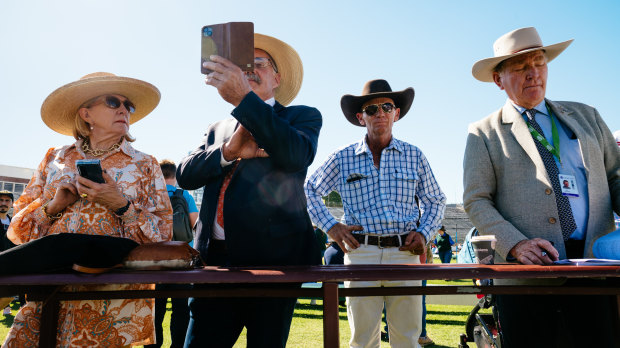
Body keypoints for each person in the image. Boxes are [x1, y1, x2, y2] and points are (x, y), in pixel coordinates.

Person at [464, 27, 620, 347]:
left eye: (539, 62)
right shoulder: (483, 133)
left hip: (595, 271)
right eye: (521, 67)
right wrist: (516, 245)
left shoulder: (587, 116)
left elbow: (615, 177)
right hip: (525, 280)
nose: (533, 73)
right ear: (498, 79)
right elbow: (476, 200)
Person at [2, 72, 173, 347]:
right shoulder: (54, 158)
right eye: (112, 101)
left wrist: (121, 204)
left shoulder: (146, 164)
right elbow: (18, 232)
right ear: (86, 114)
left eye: (128, 105)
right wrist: (55, 206)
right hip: (50, 287)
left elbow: (162, 234)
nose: (123, 110)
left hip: (111, 295)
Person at [177, 33, 322, 348]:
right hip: (213, 264)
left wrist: (245, 100)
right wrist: (228, 151)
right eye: (243, 67)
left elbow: (295, 155)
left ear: (277, 77)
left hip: (274, 266)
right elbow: (185, 174)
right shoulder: (217, 130)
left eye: (258, 64)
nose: (250, 71)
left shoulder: (301, 117)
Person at [305, 79, 446, 347]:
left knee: (407, 338)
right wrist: (332, 228)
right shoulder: (342, 157)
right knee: (362, 340)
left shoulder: (415, 155)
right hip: (361, 252)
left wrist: (424, 233)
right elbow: (308, 189)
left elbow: (436, 200)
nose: (380, 113)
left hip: (405, 252)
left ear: (397, 113)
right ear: (361, 118)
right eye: (371, 109)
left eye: (386, 107)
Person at [145, 160, 199, 348]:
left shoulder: (151, 197)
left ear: (158, 175)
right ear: (175, 176)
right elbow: (193, 225)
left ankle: (153, 345)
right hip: (182, 260)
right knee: (181, 308)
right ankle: (178, 345)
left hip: (156, 260)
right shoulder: (185, 196)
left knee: (155, 308)